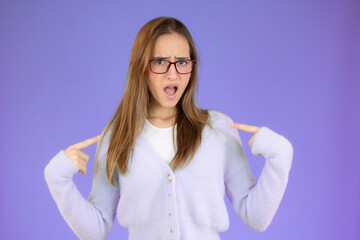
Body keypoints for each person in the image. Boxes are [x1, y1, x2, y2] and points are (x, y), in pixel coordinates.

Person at [44, 16, 293, 240]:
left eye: (182, 62)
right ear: (141, 67)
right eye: (160, 62)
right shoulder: (118, 138)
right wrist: (57, 178)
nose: (173, 74)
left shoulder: (217, 130)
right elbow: (96, 228)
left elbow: (256, 217)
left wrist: (279, 153)